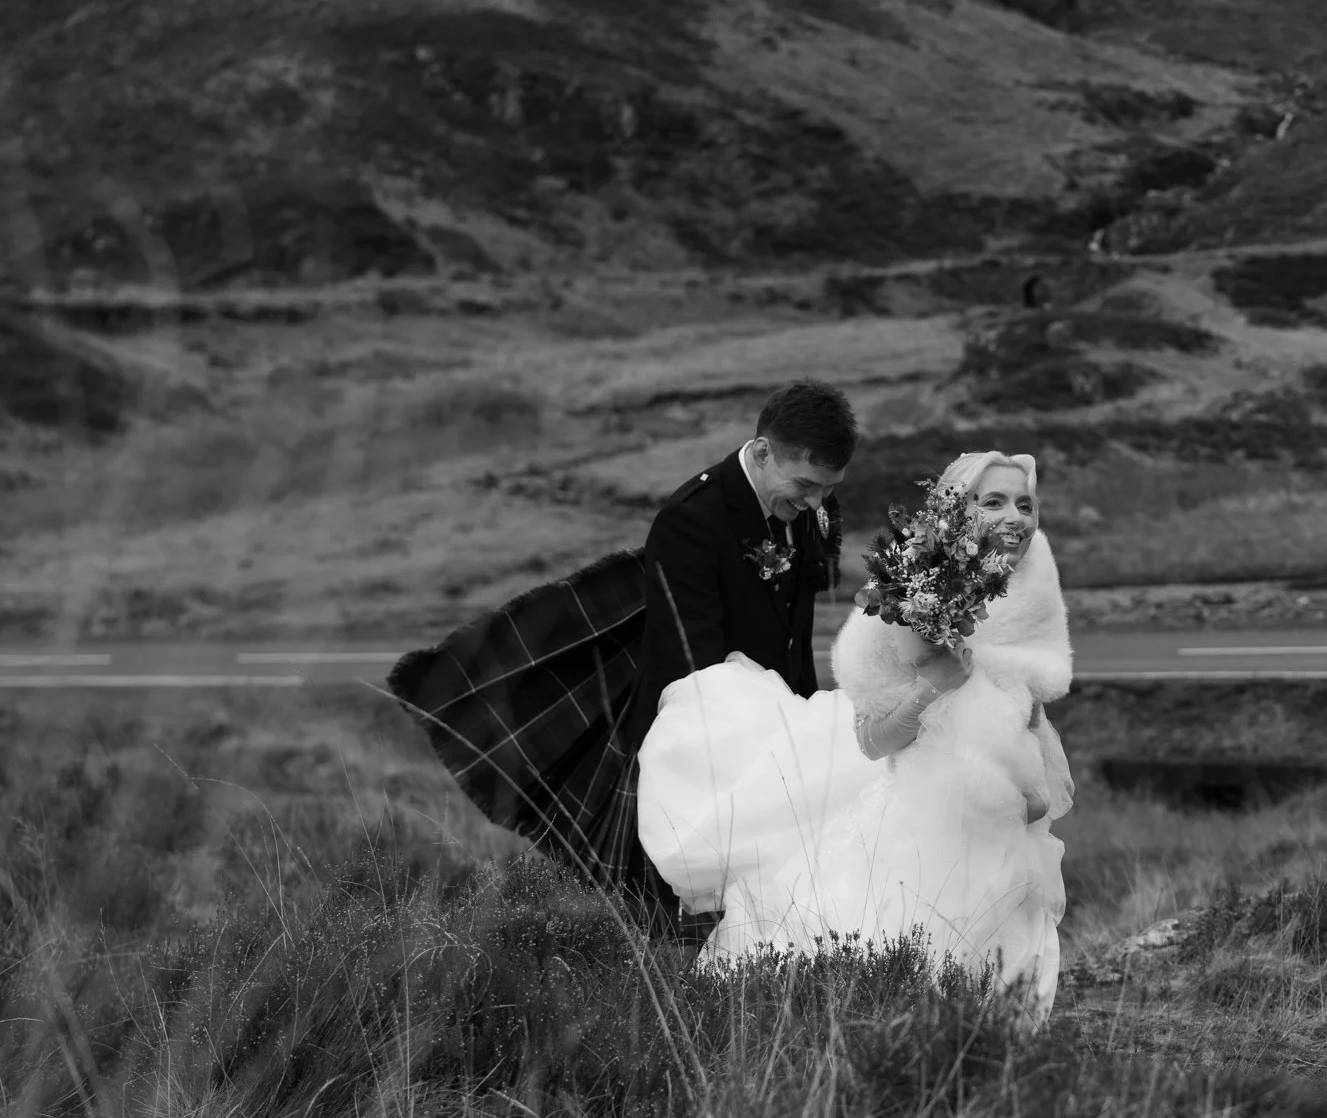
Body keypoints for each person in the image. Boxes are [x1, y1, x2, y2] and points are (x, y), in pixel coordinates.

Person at [387, 379, 855, 938]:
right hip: (705, 727)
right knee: (693, 895)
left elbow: (792, 629)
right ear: (760, 452)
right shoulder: (692, 519)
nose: (815, 504)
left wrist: (800, 716)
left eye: (827, 490)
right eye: (806, 485)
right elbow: (697, 667)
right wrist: (768, 739)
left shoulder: (803, 505)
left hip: (777, 714)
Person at [635, 451, 1074, 1023]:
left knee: (1002, 998)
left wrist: (1032, 784)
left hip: (1002, 822)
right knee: (898, 981)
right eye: (993, 502)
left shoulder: (1029, 598)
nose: (1015, 516)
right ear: (954, 515)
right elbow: (873, 741)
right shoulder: (909, 600)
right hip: (923, 827)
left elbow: (1029, 709)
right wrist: (932, 689)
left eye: (1025, 504)